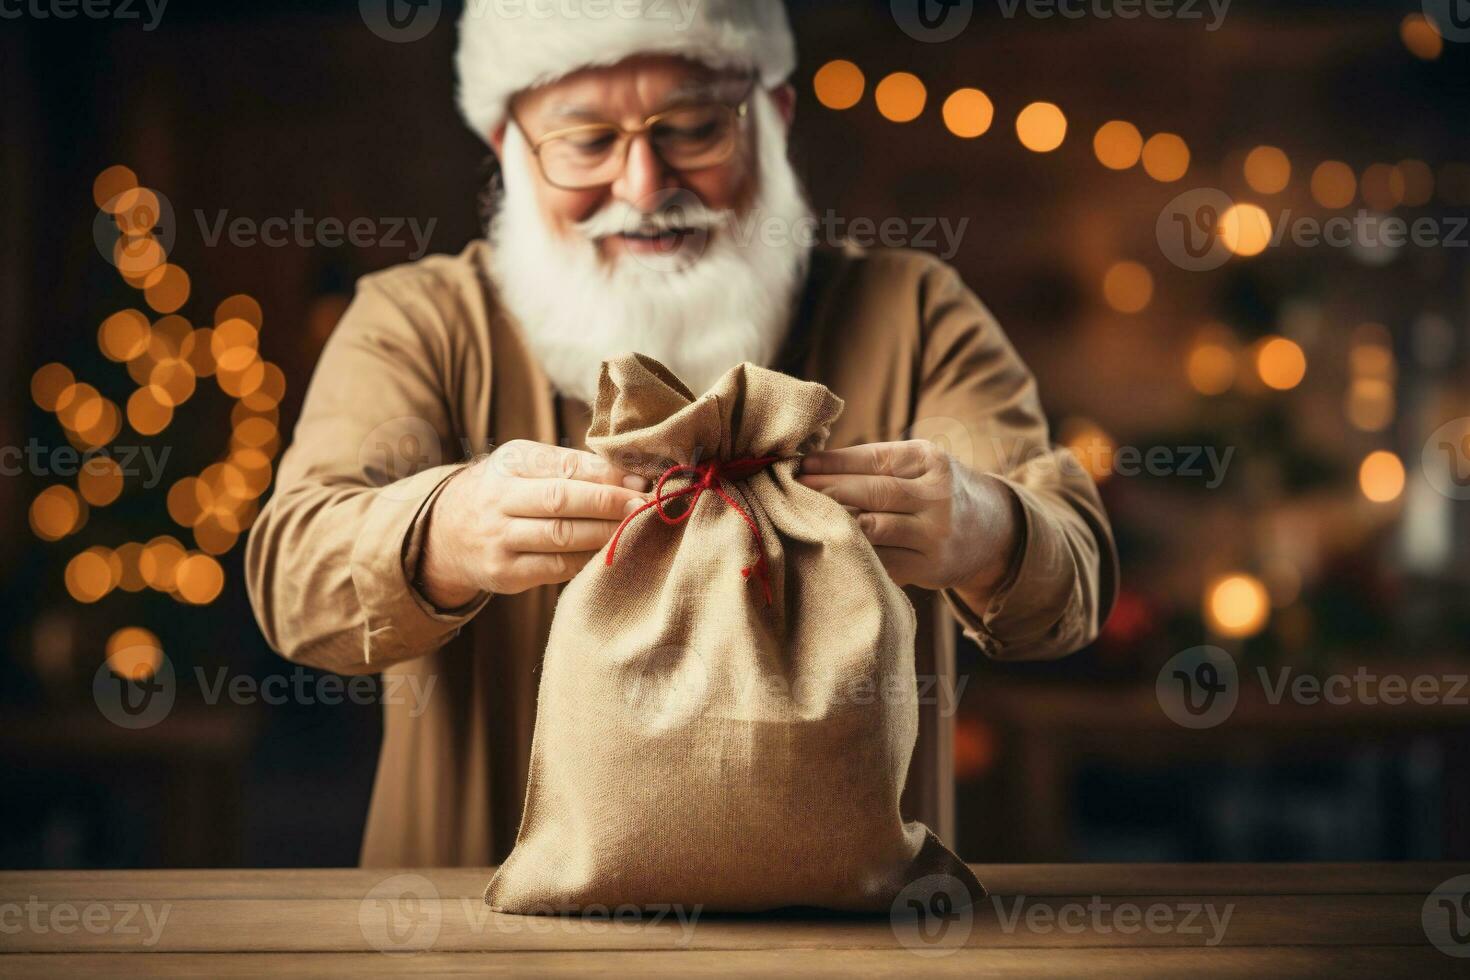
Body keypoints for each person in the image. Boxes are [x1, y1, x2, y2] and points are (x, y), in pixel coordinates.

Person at [245, 0, 1117, 867]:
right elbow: (292, 582)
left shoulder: (915, 313)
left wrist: (987, 528)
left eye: (695, 129)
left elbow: (1072, 584)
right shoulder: (418, 321)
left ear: (772, 116)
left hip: (853, 951)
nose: (643, 186)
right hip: (476, 944)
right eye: (586, 141)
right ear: (508, 144)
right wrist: (443, 530)